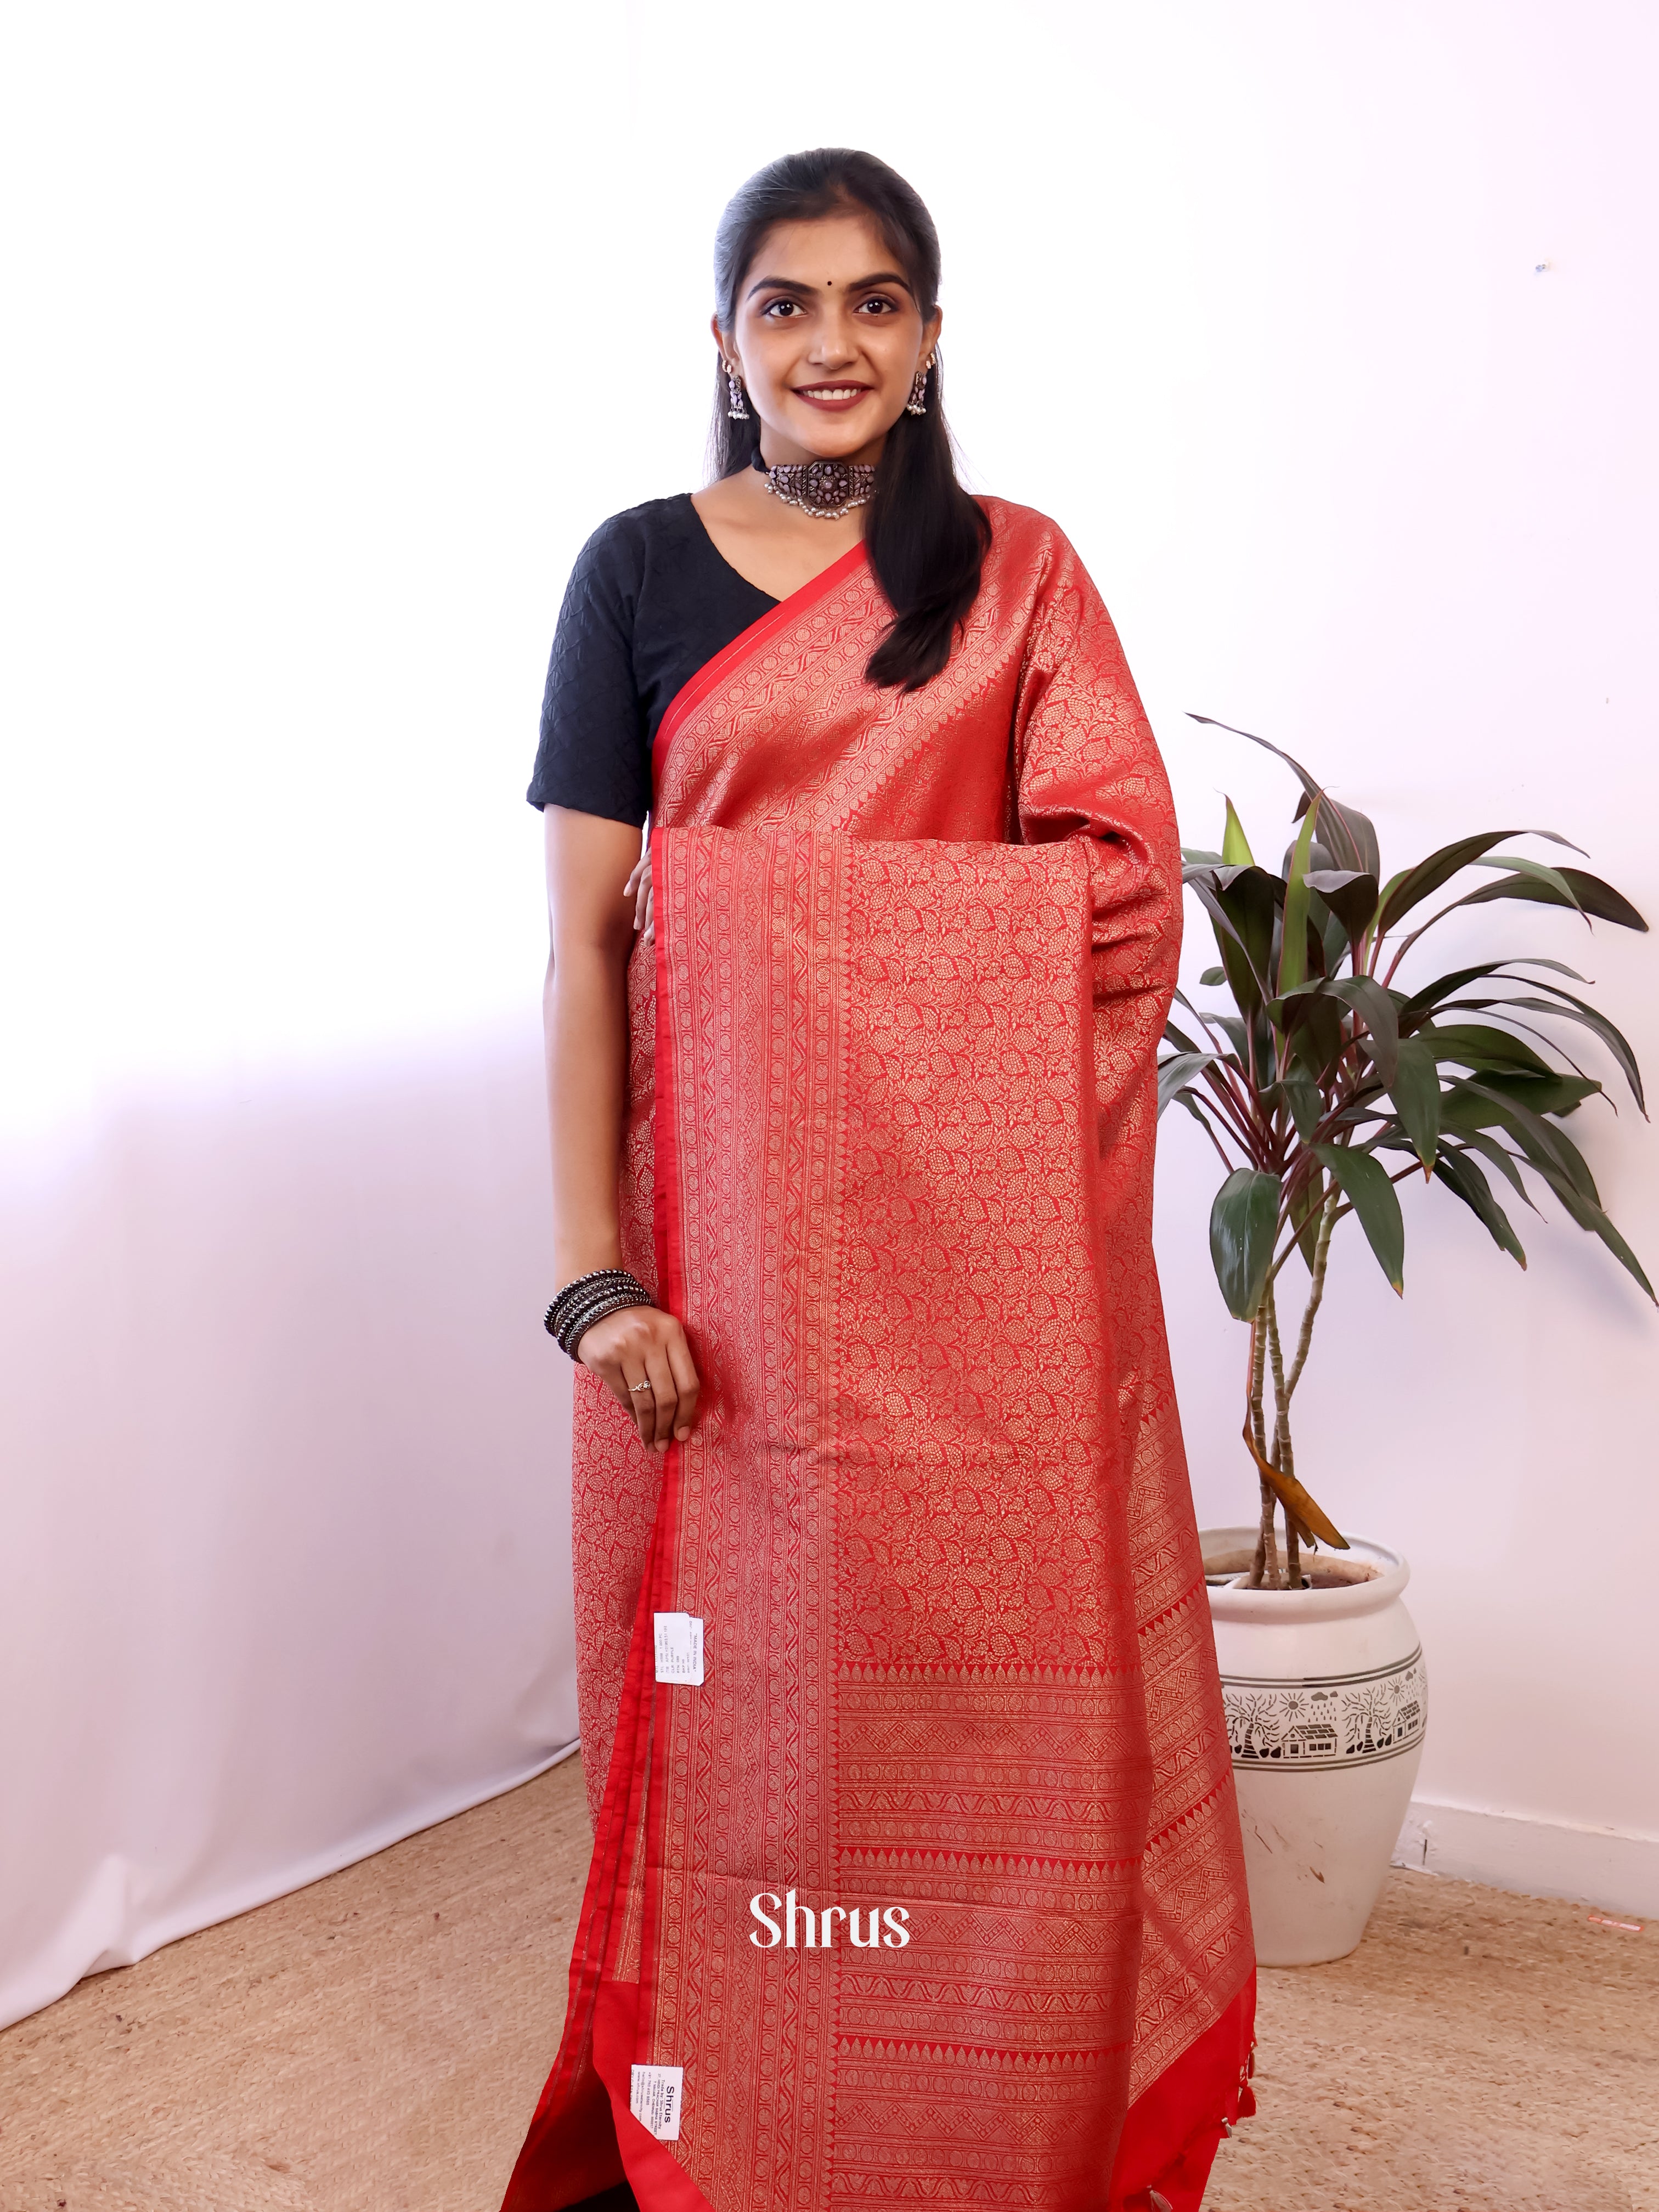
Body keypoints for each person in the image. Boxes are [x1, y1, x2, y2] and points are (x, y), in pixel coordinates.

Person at [501, 148, 1254, 2212]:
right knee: (740, 1726)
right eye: (784, 303)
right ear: (725, 340)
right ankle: (733, 2133)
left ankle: (975, 2128)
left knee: (982, 1722)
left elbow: (1112, 908)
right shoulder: (635, 572)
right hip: (708, 1263)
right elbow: (590, 943)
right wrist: (595, 1284)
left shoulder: (1015, 577)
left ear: (928, 342)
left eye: (875, 303)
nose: (829, 342)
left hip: (971, 1276)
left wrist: (788, 928)